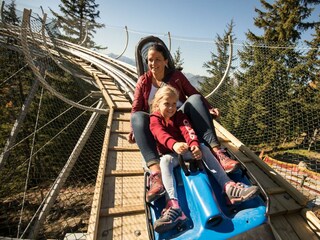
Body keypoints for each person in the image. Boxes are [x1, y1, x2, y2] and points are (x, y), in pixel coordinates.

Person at [127, 42, 240, 203]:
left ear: (166, 61)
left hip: (181, 119)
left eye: (157, 59)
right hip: (158, 122)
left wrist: (208, 108)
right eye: (150, 60)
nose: (153, 64)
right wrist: (133, 129)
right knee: (137, 116)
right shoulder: (144, 81)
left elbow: (193, 93)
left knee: (195, 99)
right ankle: (156, 174)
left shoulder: (176, 77)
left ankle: (218, 153)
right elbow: (136, 106)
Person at [149, 86, 259, 233]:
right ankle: (174, 207)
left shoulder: (180, 116)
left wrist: (194, 147)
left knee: (204, 148)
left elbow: (188, 131)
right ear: (157, 105)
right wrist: (174, 144)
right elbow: (159, 134)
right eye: (166, 104)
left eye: (174, 104)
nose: (171, 108)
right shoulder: (154, 119)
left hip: (186, 150)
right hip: (171, 153)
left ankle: (228, 187)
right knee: (164, 161)